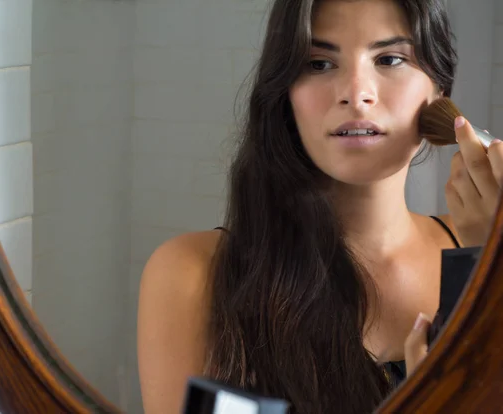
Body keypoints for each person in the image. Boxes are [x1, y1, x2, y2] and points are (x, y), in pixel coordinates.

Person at [137, 0, 503, 413]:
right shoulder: (192, 274)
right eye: (319, 64)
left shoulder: (482, 249)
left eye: (390, 59)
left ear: (439, 91)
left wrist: (488, 266)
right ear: (286, 94)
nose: (356, 94)